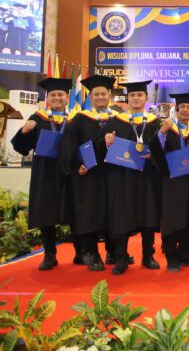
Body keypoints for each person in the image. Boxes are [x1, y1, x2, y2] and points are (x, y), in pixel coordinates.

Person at [11, 77, 78, 271]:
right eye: (53, 95)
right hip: (45, 173)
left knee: (75, 212)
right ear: (47, 98)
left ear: (67, 97)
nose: (57, 98)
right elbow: (22, 148)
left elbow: (84, 145)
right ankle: (49, 254)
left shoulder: (76, 119)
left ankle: (81, 252)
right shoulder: (37, 118)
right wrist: (24, 132)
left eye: (60, 94)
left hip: (70, 173)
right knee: (46, 212)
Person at [100, 80, 162, 275]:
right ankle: (121, 257)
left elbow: (163, 148)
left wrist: (154, 155)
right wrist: (105, 141)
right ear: (127, 98)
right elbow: (100, 146)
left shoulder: (155, 122)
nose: (136, 98)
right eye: (132, 95)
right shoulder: (115, 122)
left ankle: (148, 255)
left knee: (148, 216)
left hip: (147, 177)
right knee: (122, 216)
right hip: (122, 177)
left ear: (146, 98)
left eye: (139, 95)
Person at [60, 74, 116, 272]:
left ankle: (113, 251)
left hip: (112, 174)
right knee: (90, 212)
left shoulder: (118, 119)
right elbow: (69, 146)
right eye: (96, 94)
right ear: (90, 97)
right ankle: (91, 252)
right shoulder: (79, 120)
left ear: (110, 95)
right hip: (89, 175)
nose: (100, 97)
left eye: (103, 93)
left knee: (112, 211)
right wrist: (77, 165)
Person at [150, 93, 189, 272]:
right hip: (171, 181)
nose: (185, 110)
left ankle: (185, 254)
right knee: (172, 219)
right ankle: (171, 257)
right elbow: (155, 149)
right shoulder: (168, 128)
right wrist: (162, 132)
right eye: (182, 107)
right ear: (177, 109)